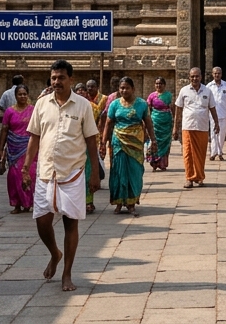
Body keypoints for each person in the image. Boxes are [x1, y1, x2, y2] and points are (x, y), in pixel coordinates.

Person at [23, 60, 101, 292]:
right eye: (54, 78)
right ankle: (54, 253)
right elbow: (34, 136)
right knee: (42, 220)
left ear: (71, 79)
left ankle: (67, 273)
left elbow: (91, 140)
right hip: (46, 171)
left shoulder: (83, 105)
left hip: (72, 171)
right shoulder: (42, 103)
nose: (57, 82)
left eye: (61, 78)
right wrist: (26, 167)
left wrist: (95, 174)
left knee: (70, 222)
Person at [101, 76, 154, 215]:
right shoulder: (114, 104)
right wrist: (103, 142)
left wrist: (153, 140)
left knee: (134, 172)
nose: (124, 90)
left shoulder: (142, 104)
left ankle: (131, 203)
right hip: (118, 142)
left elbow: (148, 123)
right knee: (118, 172)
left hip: (135, 144)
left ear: (133, 89)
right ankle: (118, 202)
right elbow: (108, 124)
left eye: (127, 88)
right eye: (122, 88)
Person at [173, 66, 218, 189]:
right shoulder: (184, 91)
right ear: (189, 77)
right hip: (188, 126)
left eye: (197, 76)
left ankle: (199, 177)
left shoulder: (207, 91)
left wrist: (216, 123)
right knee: (188, 154)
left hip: (202, 127)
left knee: (200, 154)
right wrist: (175, 127)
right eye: (192, 76)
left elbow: (212, 108)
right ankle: (189, 178)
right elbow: (178, 109)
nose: (195, 78)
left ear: (201, 77)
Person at [0, 84, 35, 212]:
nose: (22, 96)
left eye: (25, 94)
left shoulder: (33, 110)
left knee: (29, 173)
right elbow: (4, 130)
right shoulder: (9, 111)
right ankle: (16, 204)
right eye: (20, 94)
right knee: (14, 176)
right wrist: (0, 150)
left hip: (29, 148)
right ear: (15, 96)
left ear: (28, 95)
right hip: (13, 149)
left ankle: (27, 203)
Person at [83, 78, 105, 213]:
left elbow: (100, 121)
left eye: (82, 91)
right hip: (71, 147)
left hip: (88, 143)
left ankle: (88, 202)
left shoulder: (91, 107)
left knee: (88, 173)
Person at [146, 77, 174, 170]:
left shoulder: (168, 95)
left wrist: (173, 120)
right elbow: (147, 109)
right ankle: (154, 163)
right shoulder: (152, 96)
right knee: (154, 141)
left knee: (165, 142)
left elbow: (172, 108)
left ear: (164, 85)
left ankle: (162, 164)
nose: (158, 85)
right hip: (155, 122)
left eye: (160, 83)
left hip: (166, 122)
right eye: (157, 83)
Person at [206, 67, 226, 161]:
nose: (217, 75)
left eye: (219, 73)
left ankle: (220, 152)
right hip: (213, 114)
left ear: (221, 74)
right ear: (212, 74)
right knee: (213, 134)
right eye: (215, 73)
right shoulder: (209, 86)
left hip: (223, 113)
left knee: (222, 134)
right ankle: (213, 153)